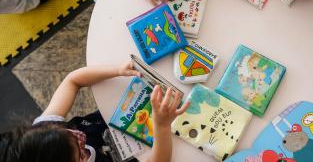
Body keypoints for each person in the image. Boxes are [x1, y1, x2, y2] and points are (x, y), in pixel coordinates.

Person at [0, 62, 189, 162]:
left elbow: (73, 80)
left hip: (127, 117)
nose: (80, 136)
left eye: (69, 132)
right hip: (162, 145)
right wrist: (162, 126)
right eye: (80, 154)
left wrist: (117, 70)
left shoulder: (43, 135)